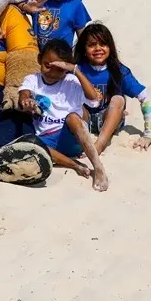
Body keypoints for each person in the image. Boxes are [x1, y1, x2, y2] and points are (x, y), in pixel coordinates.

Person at [18, 39, 109, 192]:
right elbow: (24, 94)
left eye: (59, 69)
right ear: (40, 60)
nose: (52, 73)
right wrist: (26, 101)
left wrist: (75, 70)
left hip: (71, 138)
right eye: (47, 65)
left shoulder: (72, 81)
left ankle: (98, 167)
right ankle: (74, 165)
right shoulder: (32, 79)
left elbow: (94, 101)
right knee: (29, 141)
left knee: (73, 117)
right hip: (46, 141)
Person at [74, 22, 151, 154]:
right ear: (83, 49)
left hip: (108, 121)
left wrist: (148, 134)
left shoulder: (119, 71)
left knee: (118, 99)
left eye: (103, 44)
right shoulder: (77, 69)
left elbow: (146, 97)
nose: (98, 48)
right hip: (84, 120)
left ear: (110, 47)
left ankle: (99, 145)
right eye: (91, 45)